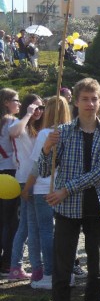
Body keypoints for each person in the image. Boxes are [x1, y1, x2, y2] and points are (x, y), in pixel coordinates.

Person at [39, 79, 100, 301]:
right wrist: (47, 149)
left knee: (96, 271)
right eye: (84, 98)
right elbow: (43, 170)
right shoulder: (61, 132)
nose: (89, 104)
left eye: (93, 99)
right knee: (63, 272)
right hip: (67, 211)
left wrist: (66, 189)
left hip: (97, 208)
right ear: (75, 101)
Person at [24, 97, 70, 290]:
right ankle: (65, 273)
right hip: (64, 190)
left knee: (45, 231)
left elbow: (37, 165)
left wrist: (26, 188)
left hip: (44, 188)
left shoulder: (46, 133)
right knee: (64, 232)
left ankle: (50, 273)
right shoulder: (71, 132)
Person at [7, 94, 44, 282]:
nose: (38, 111)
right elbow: (13, 132)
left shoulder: (38, 129)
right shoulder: (21, 126)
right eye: (34, 107)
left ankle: (16, 266)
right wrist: (28, 114)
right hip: (25, 181)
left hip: (37, 180)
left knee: (26, 226)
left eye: (40, 108)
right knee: (28, 226)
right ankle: (19, 266)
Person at [0, 88, 21, 276]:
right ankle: (7, 262)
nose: (19, 104)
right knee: (10, 220)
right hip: (9, 172)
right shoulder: (12, 122)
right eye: (16, 100)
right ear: (6, 102)